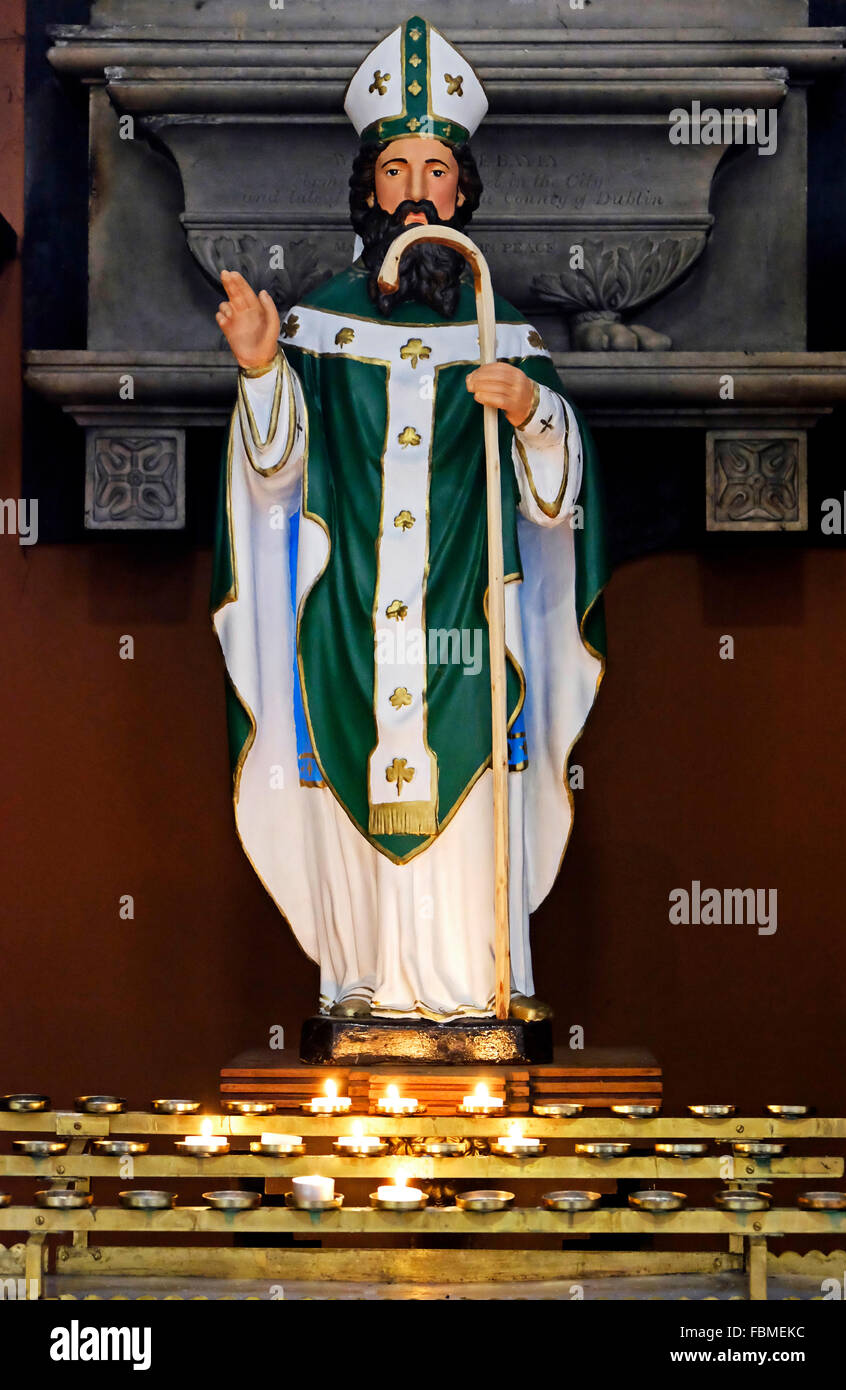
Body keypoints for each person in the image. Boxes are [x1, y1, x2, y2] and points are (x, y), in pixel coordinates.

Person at [210, 16, 608, 1024]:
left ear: (463, 190)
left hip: (467, 630)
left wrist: (531, 414)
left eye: (438, 168)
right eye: (398, 169)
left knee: (471, 802)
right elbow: (272, 476)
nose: (420, 189)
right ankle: (363, 993)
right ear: (372, 188)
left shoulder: (506, 329)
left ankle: (474, 999)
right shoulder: (317, 324)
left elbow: (559, 505)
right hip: (346, 623)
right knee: (351, 794)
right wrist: (263, 369)